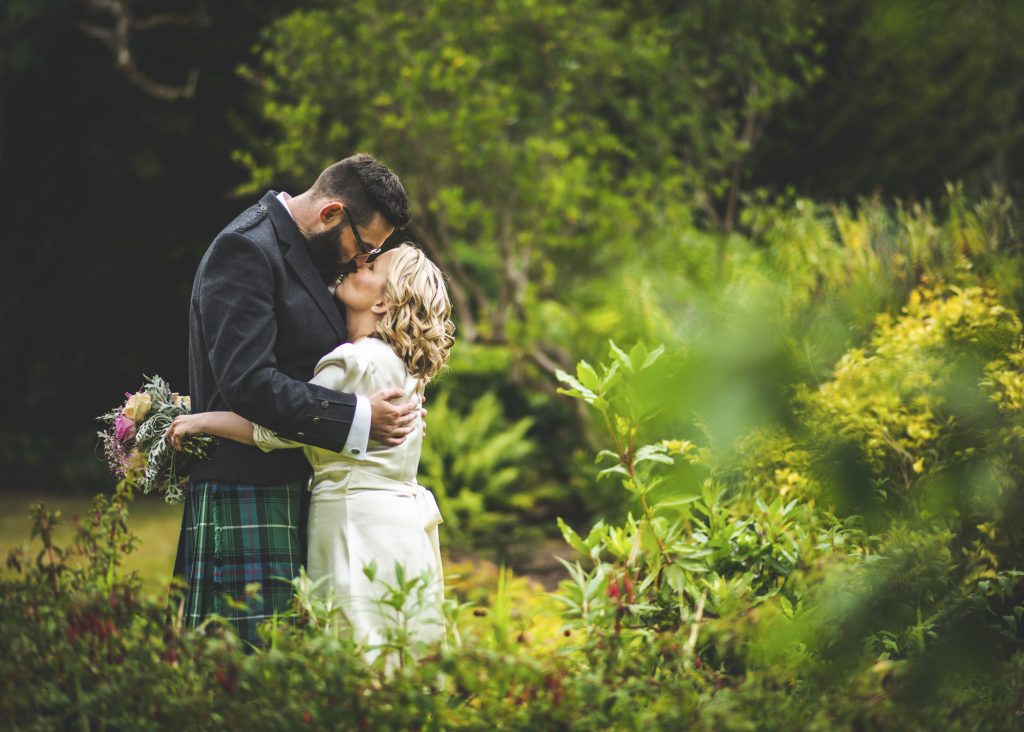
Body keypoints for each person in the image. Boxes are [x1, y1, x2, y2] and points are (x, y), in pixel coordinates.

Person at [172, 154, 422, 646]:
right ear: (332, 214)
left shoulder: (312, 255)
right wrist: (359, 415)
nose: (360, 261)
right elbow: (249, 383)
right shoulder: (245, 250)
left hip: (293, 486)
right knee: (241, 664)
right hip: (245, 489)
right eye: (364, 246)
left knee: (284, 674)